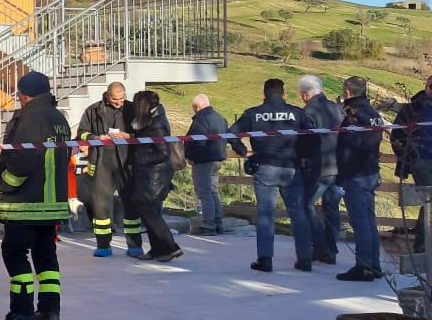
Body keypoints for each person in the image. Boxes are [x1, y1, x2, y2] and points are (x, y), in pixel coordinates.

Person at [0, 71, 72, 320]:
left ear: (25, 94)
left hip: (26, 203)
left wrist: (4, 185)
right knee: (46, 257)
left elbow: (22, 159)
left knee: (15, 254)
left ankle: (22, 313)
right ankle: (50, 312)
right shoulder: (59, 118)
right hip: (51, 204)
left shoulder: (31, 118)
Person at [230, 78, 314, 272]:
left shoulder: (253, 113)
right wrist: (304, 157)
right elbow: (312, 137)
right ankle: (305, 259)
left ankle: (265, 260)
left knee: (266, 214)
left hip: (264, 166)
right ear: (284, 95)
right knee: (298, 213)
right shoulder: (297, 113)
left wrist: (243, 151)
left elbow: (231, 133)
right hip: (291, 168)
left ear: (264, 95)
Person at [390, 73, 432, 251]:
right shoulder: (411, 110)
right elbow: (397, 135)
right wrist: (408, 158)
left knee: (429, 205)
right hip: (420, 162)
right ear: (425, 87)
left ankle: (420, 244)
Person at [75, 82, 144, 257]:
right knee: (100, 205)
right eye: (114, 99)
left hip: (126, 163)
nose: (118, 102)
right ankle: (103, 245)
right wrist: (96, 137)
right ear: (107, 95)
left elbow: (145, 134)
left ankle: (134, 245)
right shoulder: (93, 110)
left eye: (121, 98)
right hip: (101, 162)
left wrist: (128, 136)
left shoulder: (133, 109)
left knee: (131, 204)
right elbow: (81, 133)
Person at [335, 75, 384, 281]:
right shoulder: (373, 113)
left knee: (360, 221)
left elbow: (349, 150)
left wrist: (340, 179)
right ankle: (374, 265)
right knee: (369, 221)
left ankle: (364, 267)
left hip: (356, 175)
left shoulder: (354, 116)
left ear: (347, 92)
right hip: (371, 171)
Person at [128, 89, 183, 262]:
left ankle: (170, 246)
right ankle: (158, 249)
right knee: (148, 213)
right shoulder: (151, 120)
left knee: (151, 213)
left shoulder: (157, 123)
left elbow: (163, 152)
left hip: (154, 177)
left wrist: (139, 158)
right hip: (148, 175)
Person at [297, 74, 343, 265]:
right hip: (338, 166)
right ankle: (331, 249)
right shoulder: (338, 109)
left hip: (317, 168)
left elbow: (305, 142)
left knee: (305, 205)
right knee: (332, 209)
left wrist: (302, 160)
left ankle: (320, 245)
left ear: (304, 94)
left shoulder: (307, 112)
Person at [185, 93, 228, 235]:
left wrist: (191, 156)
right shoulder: (220, 118)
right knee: (214, 192)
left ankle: (209, 225)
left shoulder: (201, 120)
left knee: (204, 193)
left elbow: (197, 141)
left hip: (203, 161)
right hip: (217, 159)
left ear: (196, 107)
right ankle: (218, 223)